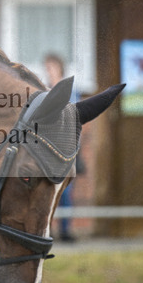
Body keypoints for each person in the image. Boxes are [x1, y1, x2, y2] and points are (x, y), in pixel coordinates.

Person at [44, 53, 84, 242]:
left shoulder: (69, 91)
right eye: (47, 67)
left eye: (51, 67)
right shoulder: (44, 90)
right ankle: (46, 230)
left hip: (66, 147)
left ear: (59, 68)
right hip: (47, 148)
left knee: (66, 191)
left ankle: (66, 230)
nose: (48, 71)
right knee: (46, 191)